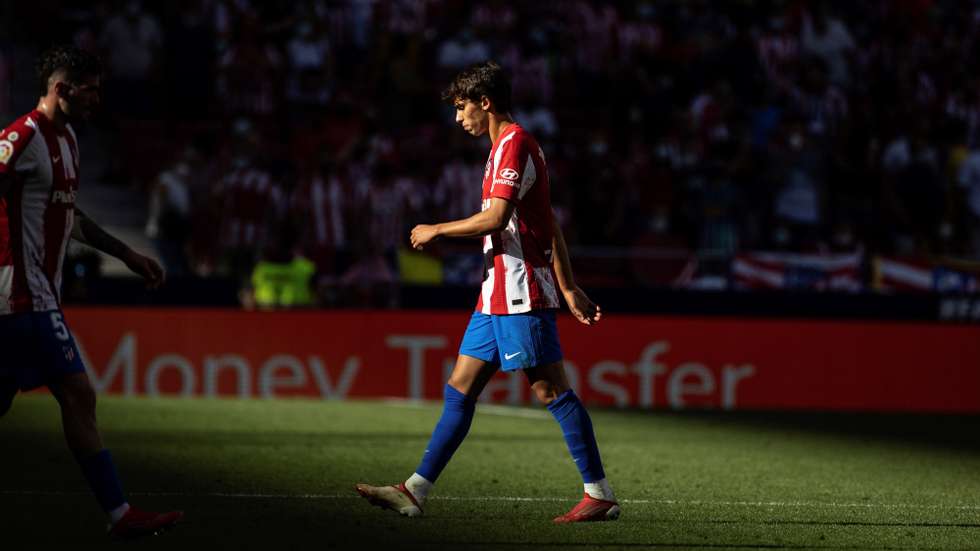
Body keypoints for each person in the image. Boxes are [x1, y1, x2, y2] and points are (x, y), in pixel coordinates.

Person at [355, 61, 619, 523]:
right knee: (460, 387)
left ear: (485, 102)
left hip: (520, 291)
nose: (459, 119)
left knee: (550, 390)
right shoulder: (500, 149)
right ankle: (414, 491)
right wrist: (570, 285)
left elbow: (498, 219)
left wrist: (438, 229)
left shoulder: (516, 145)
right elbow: (548, 223)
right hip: (495, 291)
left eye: (462, 108)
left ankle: (599, 493)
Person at [0, 45, 181, 538]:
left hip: (34, 298)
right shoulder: (20, 138)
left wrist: (126, 254)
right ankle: (120, 515)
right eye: (91, 89)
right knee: (79, 395)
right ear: (62, 89)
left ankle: (119, 515)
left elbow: (70, 217)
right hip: (22, 296)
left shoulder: (71, 139)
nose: (97, 99)